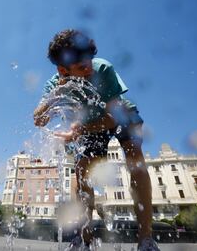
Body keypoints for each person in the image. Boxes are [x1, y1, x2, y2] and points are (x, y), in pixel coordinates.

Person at [34, 29, 159, 251]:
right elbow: (39, 119)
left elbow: (114, 118)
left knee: (135, 158)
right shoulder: (54, 85)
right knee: (81, 172)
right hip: (87, 127)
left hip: (119, 114)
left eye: (89, 62)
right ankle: (83, 237)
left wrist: (80, 129)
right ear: (63, 70)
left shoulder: (102, 68)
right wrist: (57, 94)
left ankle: (146, 239)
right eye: (82, 68)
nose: (89, 69)